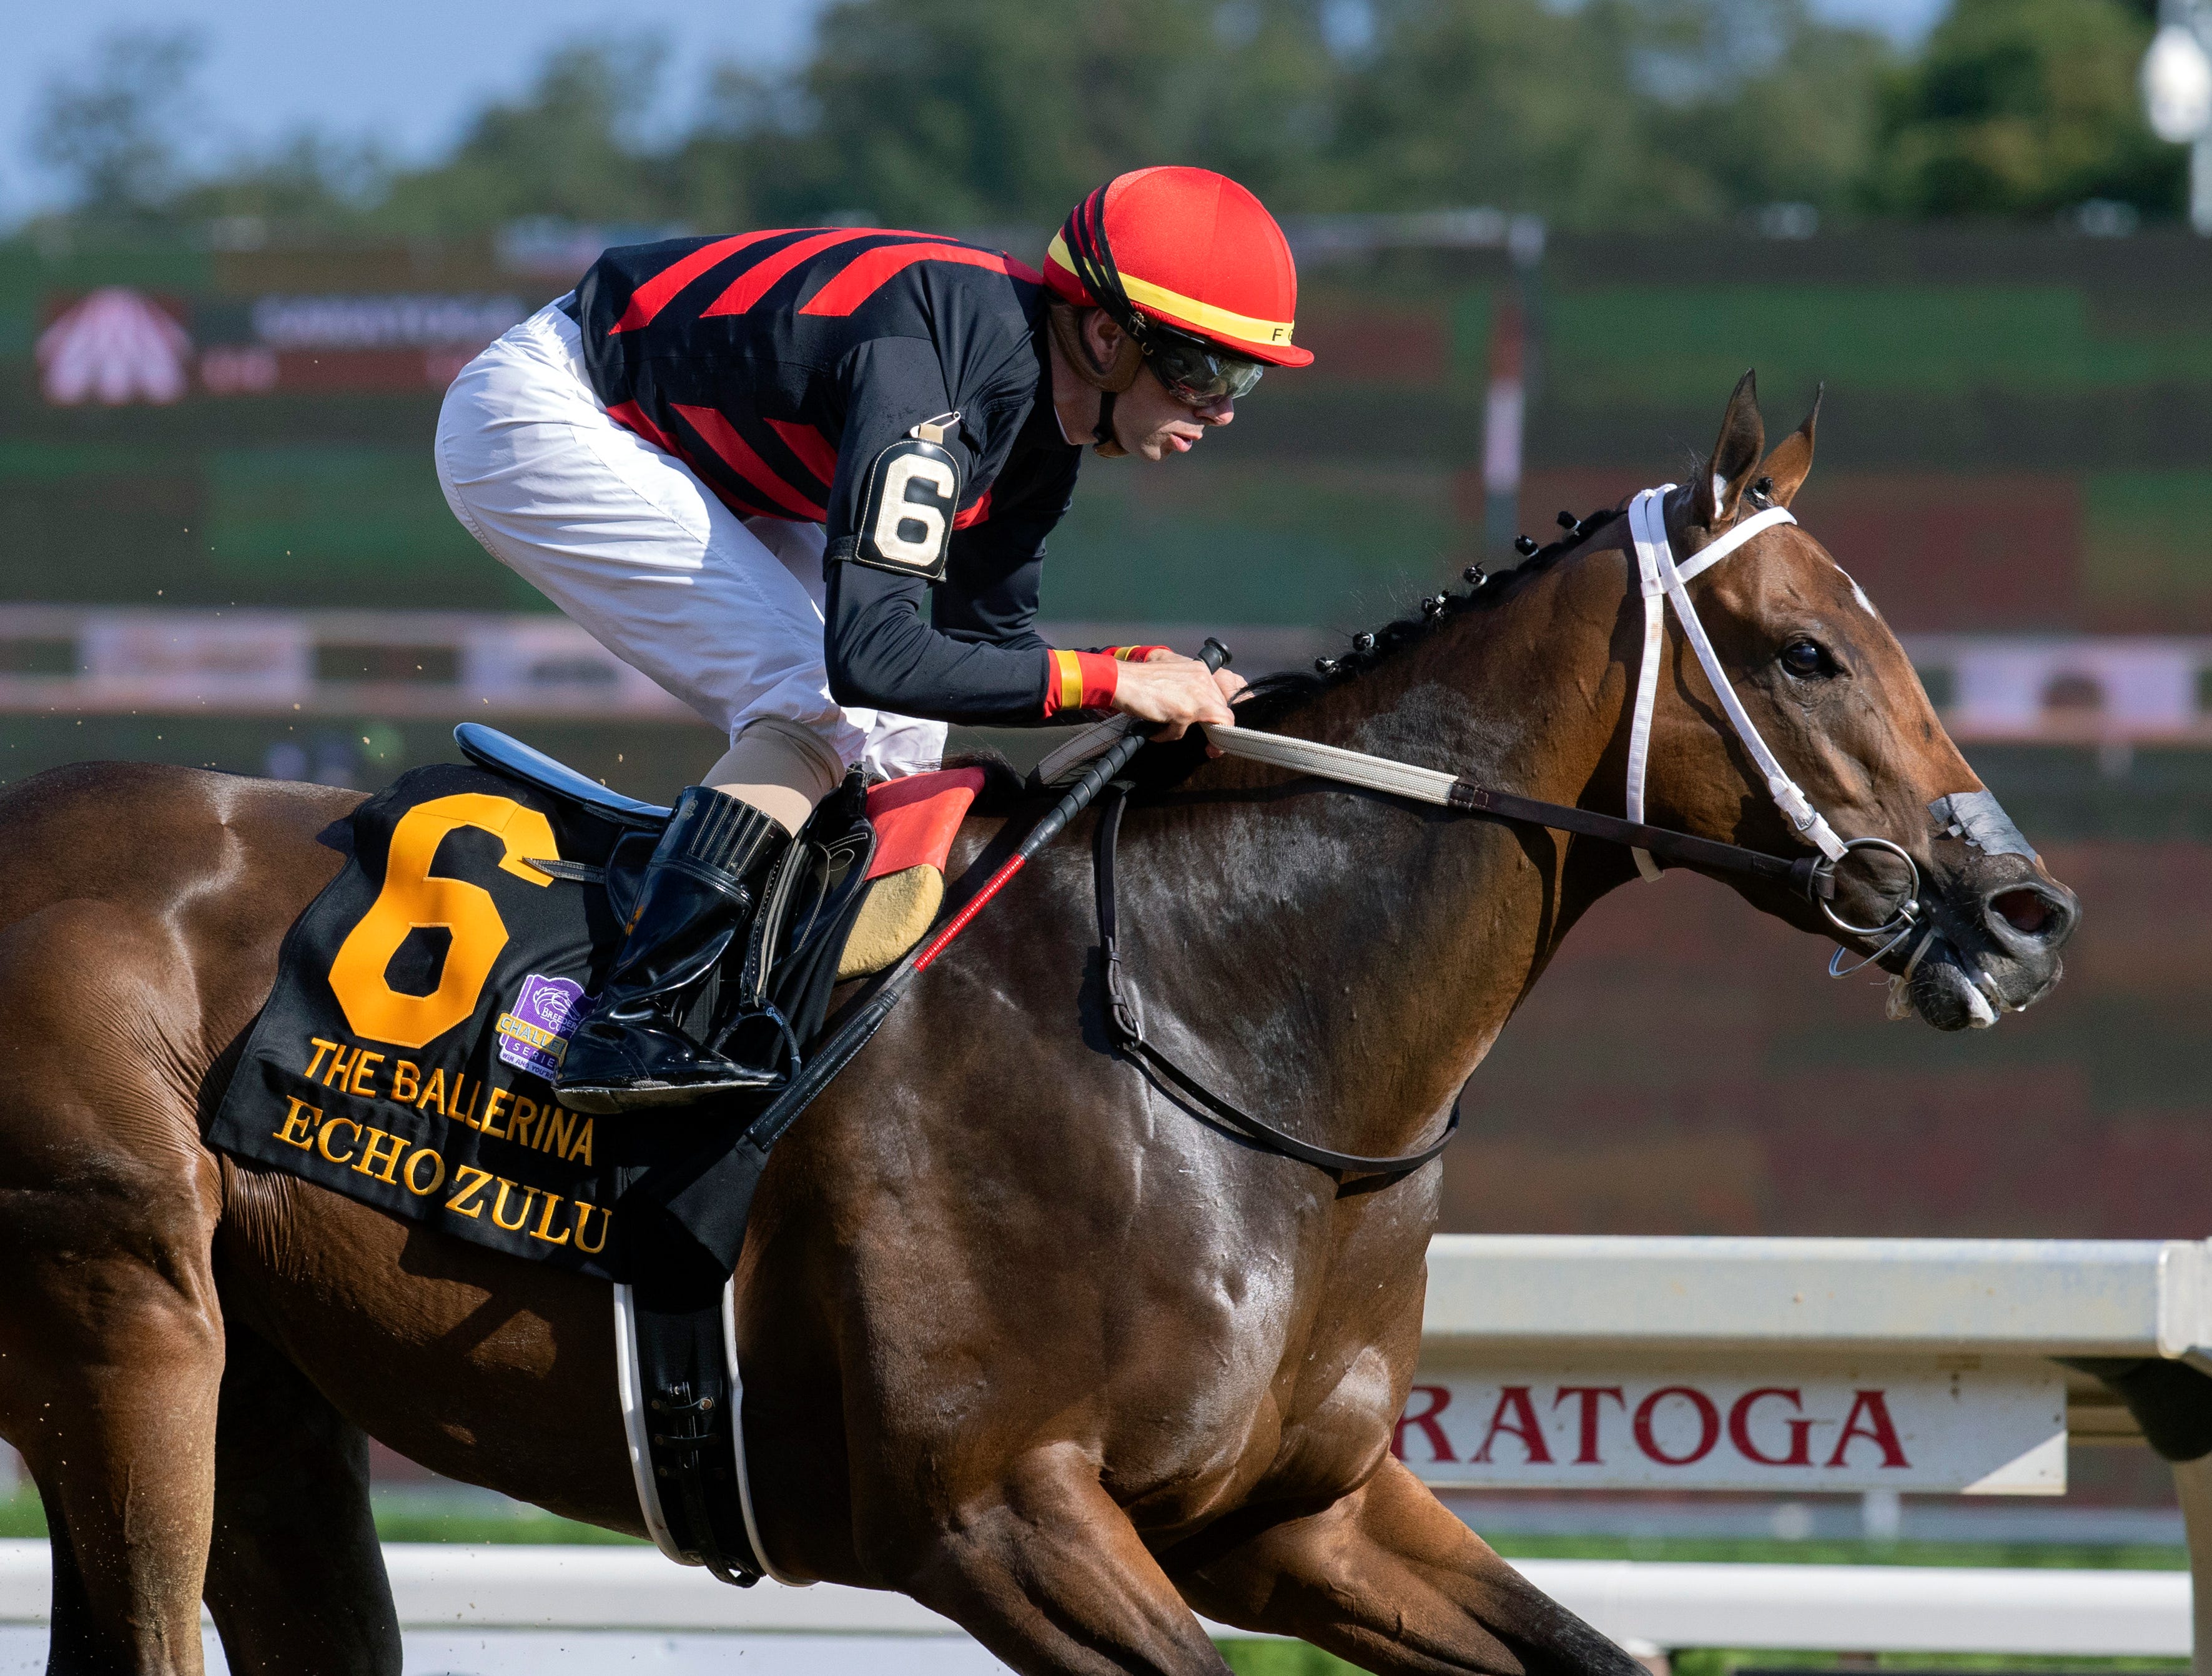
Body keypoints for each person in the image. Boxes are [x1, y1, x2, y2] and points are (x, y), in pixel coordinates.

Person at [434, 166, 1312, 1114]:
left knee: (902, 740)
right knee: (812, 703)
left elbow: (984, 642)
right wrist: (1104, 684)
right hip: (549, 411)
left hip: (691, 446)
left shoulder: (1041, 421)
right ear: (1106, 336)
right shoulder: (932, 384)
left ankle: (812, 1012)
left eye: (1245, 379)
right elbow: (876, 657)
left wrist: (1127, 676)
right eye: (1204, 370)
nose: (1220, 407)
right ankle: (632, 1020)